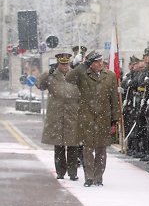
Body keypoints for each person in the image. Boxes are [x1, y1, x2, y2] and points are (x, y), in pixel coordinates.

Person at [65, 51, 120, 187]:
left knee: (101, 150)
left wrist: (115, 118)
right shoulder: (83, 74)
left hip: (103, 118)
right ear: (90, 63)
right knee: (87, 149)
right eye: (96, 62)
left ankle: (98, 177)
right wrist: (81, 65)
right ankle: (89, 177)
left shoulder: (110, 76)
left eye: (101, 61)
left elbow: (114, 99)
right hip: (87, 117)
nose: (100, 64)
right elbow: (68, 78)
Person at [36, 53, 80, 181]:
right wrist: (47, 73)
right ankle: (60, 172)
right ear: (58, 64)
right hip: (56, 115)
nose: (64, 67)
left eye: (66, 64)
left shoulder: (76, 75)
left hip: (73, 114)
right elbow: (39, 85)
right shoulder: (52, 75)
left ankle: (73, 172)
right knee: (58, 146)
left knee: (73, 145)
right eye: (62, 64)